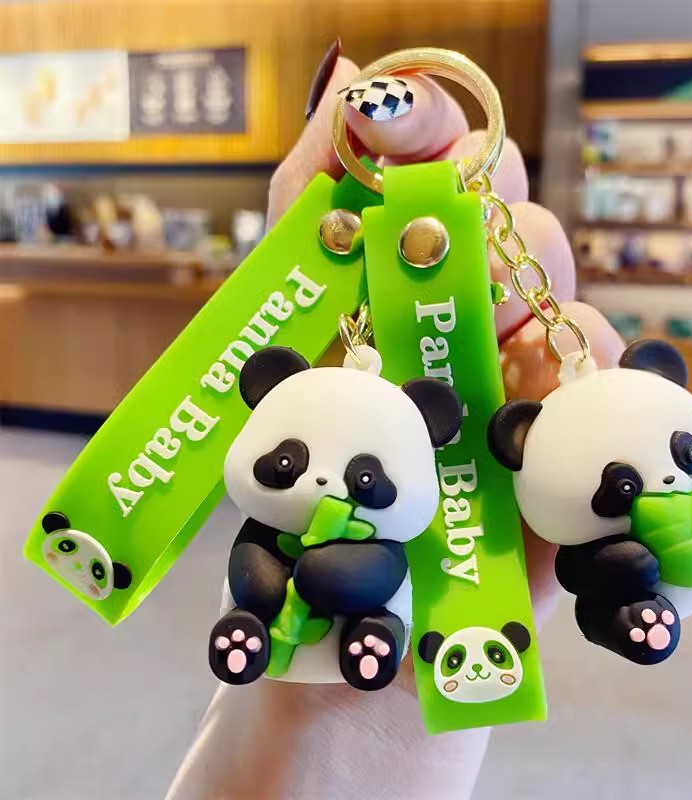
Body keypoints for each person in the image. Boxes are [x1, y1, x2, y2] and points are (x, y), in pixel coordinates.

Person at [166, 43, 624, 800]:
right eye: (291, 463)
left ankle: (372, 637)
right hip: (285, 606)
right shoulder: (302, 402)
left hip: (394, 589)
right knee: (260, 567)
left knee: (369, 581)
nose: (323, 482)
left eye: (363, 476)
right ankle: (280, 631)